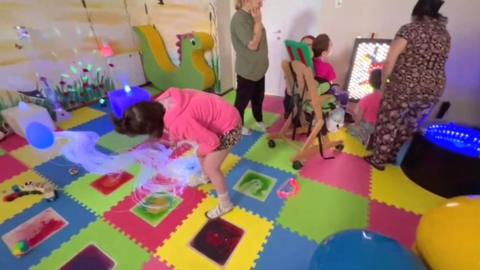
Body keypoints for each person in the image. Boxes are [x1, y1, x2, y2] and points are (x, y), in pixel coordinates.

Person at [112, 88, 241, 219]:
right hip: (225, 114)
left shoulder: (180, 122)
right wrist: (174, 139)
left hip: (230, 128)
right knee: (201, 154)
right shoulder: (164, 99)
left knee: (210, 166)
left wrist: (197, 149)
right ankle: (205, 178)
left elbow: (213, 141)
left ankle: (225, 204)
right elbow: (174, 121)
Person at [364, 0, 451, 170]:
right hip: (434, 89)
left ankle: (378, 159)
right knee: (409, 125)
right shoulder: (445, 35)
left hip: (405, 86)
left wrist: (384, 84)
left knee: (389, 121)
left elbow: (390, 61)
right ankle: (391, 156)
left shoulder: (410, 29)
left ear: (417, 11)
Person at [231, 0, 269, 135]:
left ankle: (259, 119)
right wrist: (258, 21)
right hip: (247, 71)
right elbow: (253, 45)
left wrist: (257, 20)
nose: (262, 3)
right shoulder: (239, 19)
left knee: (258, 98)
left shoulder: (252, 15)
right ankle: (237, 126)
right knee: (241, 101)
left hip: (258, 69)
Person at [347, 69, 383, 145]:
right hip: (378, 129)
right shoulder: (384, 98)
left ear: (370, 81)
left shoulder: (366, 99)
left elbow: (358, 121)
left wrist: (352, 113)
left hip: (366, 127)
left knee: (348, 129)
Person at [283, 35, 315, 119]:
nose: (307, 48)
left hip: (307, 94)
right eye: (303, 45)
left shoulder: (315, 63)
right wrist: (290, 88)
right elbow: (287, 80)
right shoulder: (293, 62)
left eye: (309, 45)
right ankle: (290, 112)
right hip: (294, 94)